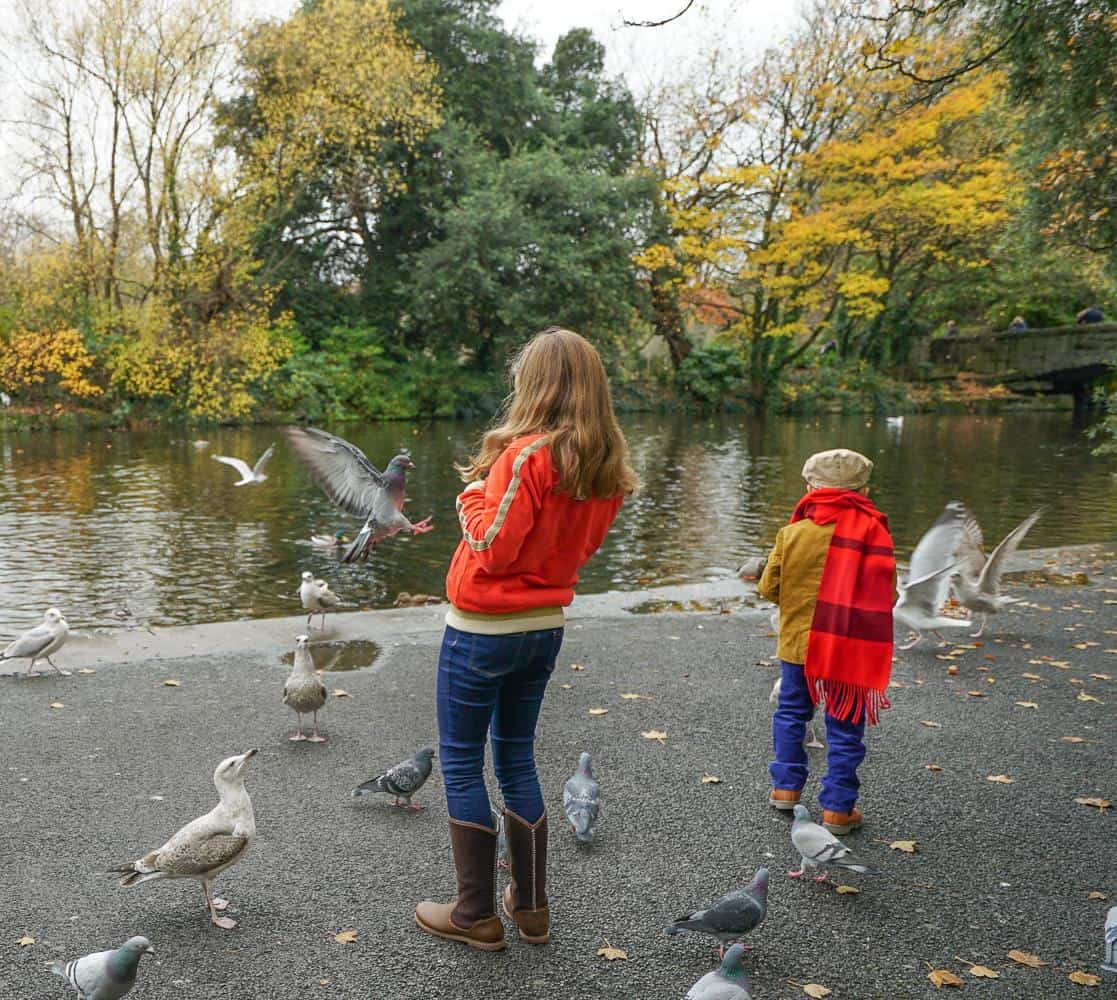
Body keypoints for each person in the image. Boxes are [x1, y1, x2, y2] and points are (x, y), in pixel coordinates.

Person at [415, 327, 636, 951]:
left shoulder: (528, 455)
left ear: (534, 384)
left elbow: (491, 546)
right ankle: (531, 909)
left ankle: (474, 916)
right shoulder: (605, 463)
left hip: (484, 628)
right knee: (515, 757)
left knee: (461, 760)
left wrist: (468, 498)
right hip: (544, 628)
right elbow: (580, 549)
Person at [757, 448, 895, 836]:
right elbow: (887, 596)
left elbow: (770, 587)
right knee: (845, 722)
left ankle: (785, 787)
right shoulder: (875, 534)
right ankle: (837, 808)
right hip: (849, 650)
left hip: (798, 645)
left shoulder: (793, 532)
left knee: (791, 711)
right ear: (864, 490)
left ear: (810, 487)